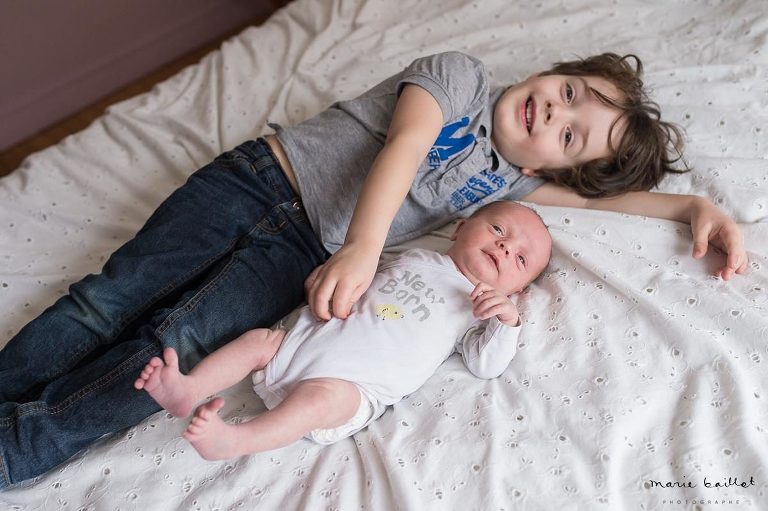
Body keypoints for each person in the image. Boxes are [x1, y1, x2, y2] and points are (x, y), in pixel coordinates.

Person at [0, 51, 747, 489]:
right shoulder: (458, 78)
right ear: (553, 71)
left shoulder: (509, 186)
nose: (551, 112)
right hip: (257, 183)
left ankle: (18, 447)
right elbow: (405, 149)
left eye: (569, 134)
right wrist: (363, 245)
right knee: (108, 298)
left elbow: (618, 205)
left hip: (296, 260)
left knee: (175, 345)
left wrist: (691, 208)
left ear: (558, 167)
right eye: (568, 93)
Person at [134, 201, 552, 460]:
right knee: (258, 341)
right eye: (499, 230)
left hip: (350, 385)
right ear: (460, 228)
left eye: (519, 259)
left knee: (318, 401)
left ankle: (235, 441)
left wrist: (506, 322)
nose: (504, 247)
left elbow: (486, 365)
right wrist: (327, 275)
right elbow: (355, 271)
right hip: (304, 342)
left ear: (518, 288)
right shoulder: (412, 255)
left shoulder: (481, 311)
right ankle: (189, 388)